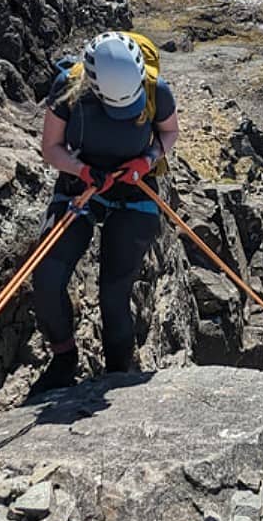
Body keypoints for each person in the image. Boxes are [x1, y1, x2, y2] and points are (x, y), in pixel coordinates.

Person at [30, 31, 179, 394]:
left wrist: (147, 161)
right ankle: (64, 357)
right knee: (47, 275)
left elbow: (169, 133)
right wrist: (82, 171)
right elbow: (51, 148)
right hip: (82, 188)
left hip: (134, 190)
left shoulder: (156, 89)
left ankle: (116, 377)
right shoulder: (68, 89)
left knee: (114, 291)